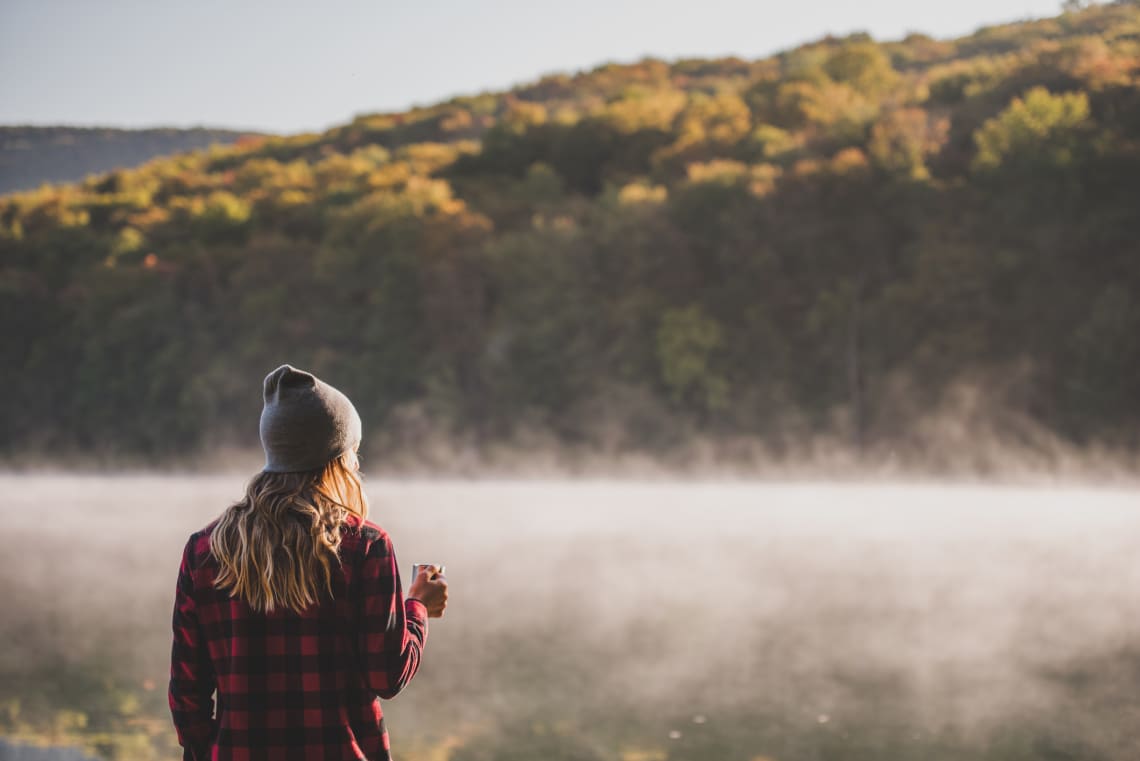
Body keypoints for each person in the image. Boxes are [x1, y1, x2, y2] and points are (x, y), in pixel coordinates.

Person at [169, 363, 448, 761]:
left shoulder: (205, 551)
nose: (356, 462)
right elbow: (388, 675)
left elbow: (188, 696)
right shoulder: (365, 547)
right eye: (352, 451)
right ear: (336, 458)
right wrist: (418, 606)